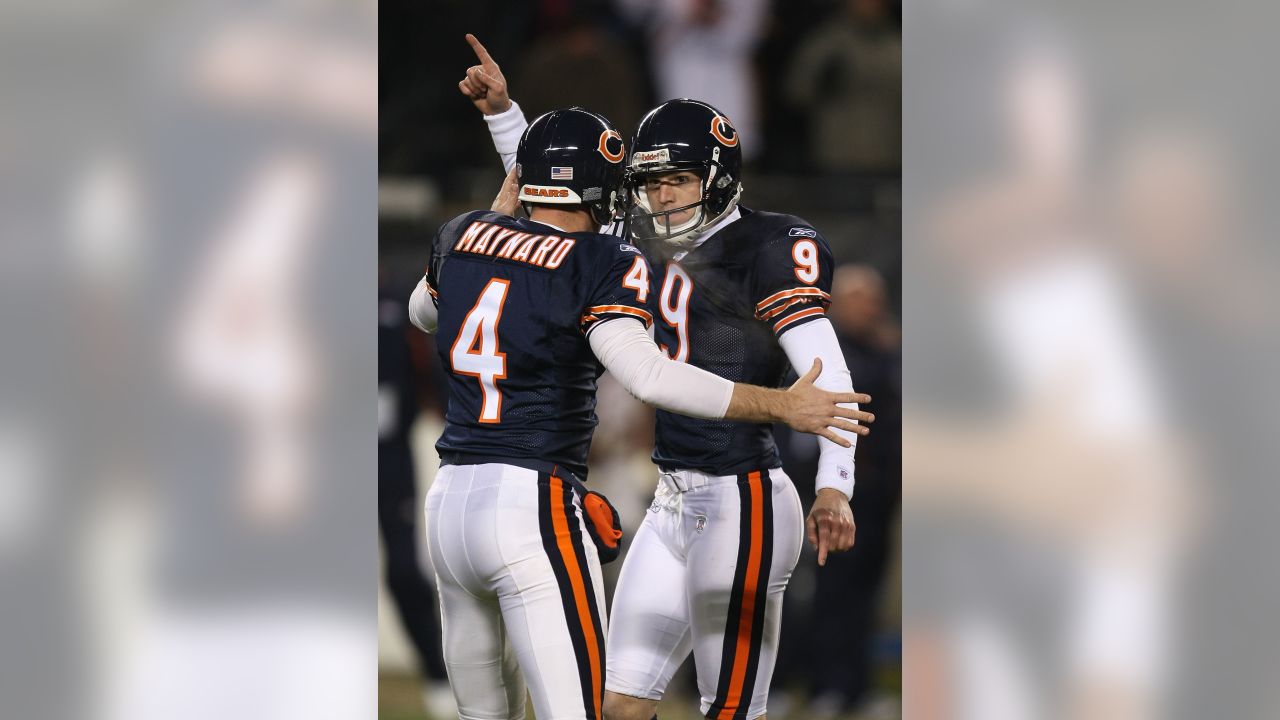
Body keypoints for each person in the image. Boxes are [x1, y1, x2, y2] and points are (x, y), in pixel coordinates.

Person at [407, 106, 872, 720]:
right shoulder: (627, 243)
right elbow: (556, 202)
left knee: (729, 709)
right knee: (617, 706)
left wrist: (835, 486)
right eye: (651, 182)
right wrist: (506, 121)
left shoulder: (772, 246)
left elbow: (825, 379)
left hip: (745, 495)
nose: (663, 196)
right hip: (671, 496)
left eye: (677, 179)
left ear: (719, 176)